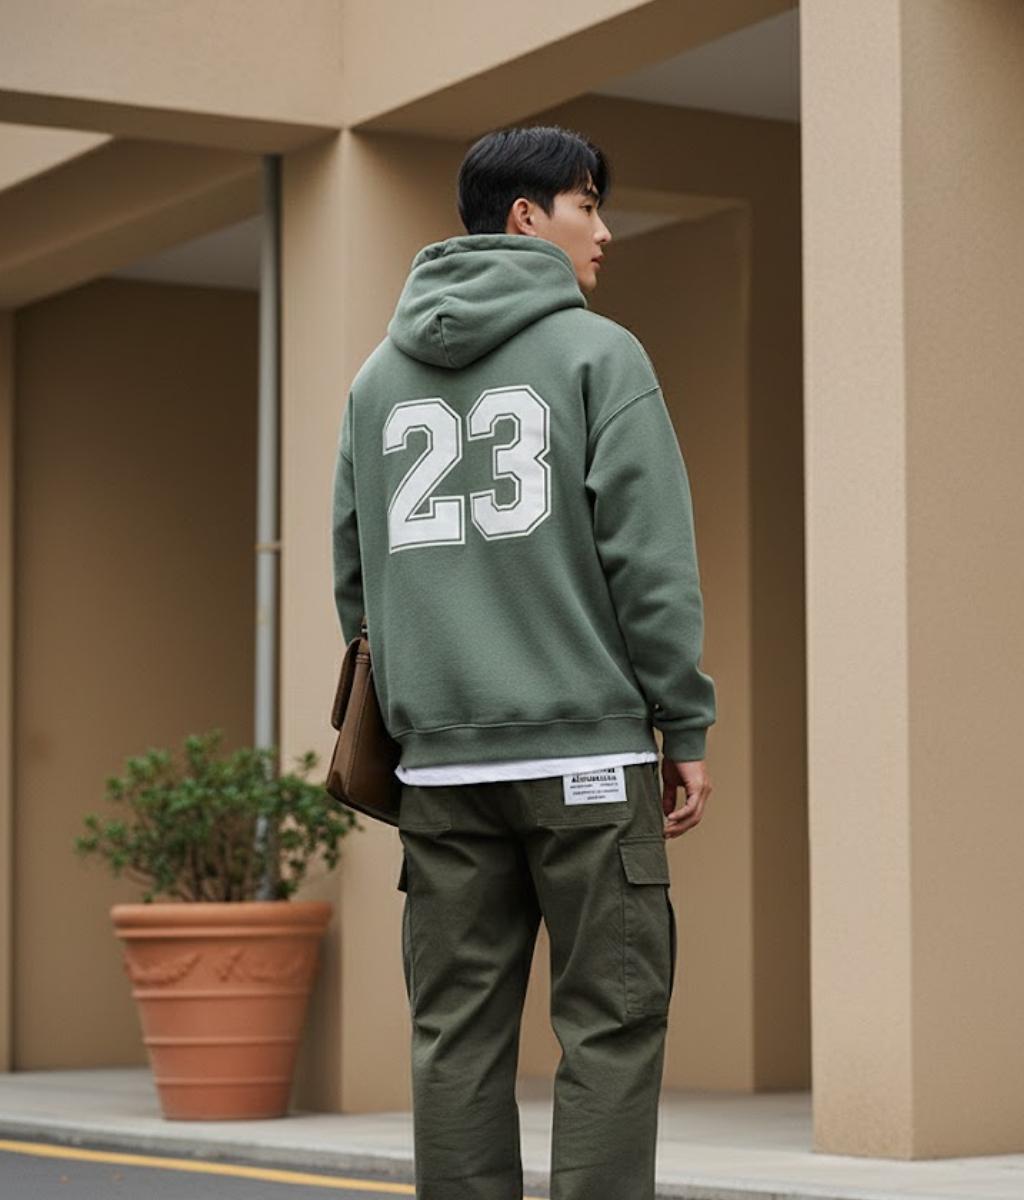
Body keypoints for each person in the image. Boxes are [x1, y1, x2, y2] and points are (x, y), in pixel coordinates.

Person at [332, 124, 716, 1200]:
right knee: (611, 1027)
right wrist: (682, 723)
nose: (604, 230)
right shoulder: (600, 355)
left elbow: (356, 580)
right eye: (588, 204)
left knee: (453, 1035)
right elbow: (650, 567)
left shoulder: (375, 382)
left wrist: (421, 701)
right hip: (586, 762)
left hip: (440, 773)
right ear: (525, 217)